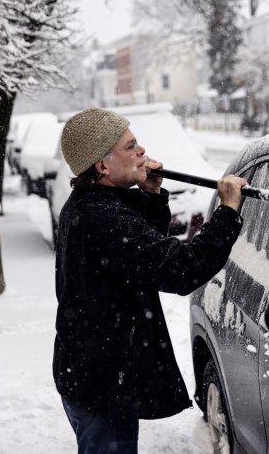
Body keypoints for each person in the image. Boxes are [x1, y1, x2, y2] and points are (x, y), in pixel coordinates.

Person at [52, 108, 248, 453]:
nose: (141, 151)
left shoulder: (91, 204)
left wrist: (152, 195)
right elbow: (181, 269)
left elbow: (139, 258)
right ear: (102, 166)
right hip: (101, 380)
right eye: (131, 146)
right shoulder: (102, 217)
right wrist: (228, 211)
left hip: (91, 370)